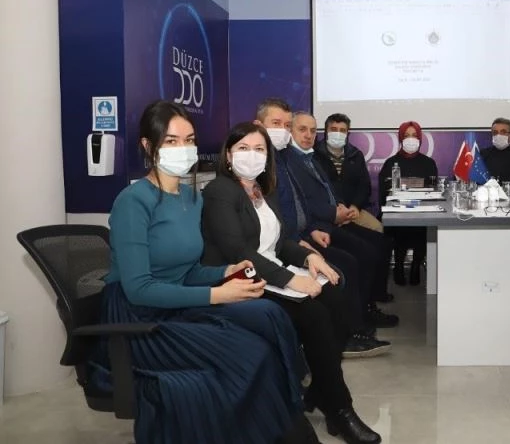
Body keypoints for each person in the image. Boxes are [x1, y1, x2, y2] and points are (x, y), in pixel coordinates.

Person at [100, 100, 317, 444]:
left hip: (178, 302)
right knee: (250, 354)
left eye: (189, 140)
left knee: (268, 316)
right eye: (171, 141)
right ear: (148, 145)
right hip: (140, 317)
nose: (183, 148)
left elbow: (187, 271)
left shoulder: (191, 198)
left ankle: (285, 424)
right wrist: (217, 293)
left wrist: (226, 270)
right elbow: (139, 289)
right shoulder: (133, 201)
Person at [201, 122, 381, 444]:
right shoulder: (220, 191)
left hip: (272, 272)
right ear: (228, 155)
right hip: (241, 279)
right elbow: (238, 251)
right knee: (315, 314)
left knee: (337, 299)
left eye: (259, 149)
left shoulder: (262, 189)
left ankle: (321, 391)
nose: (252, 155)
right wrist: (291, 279)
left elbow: (280, 242)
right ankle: (340, 409)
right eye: (243, 148)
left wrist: (308, 257)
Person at [256, 98, 393, 355]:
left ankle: (361, 317)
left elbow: (303, 201)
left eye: (287, 125)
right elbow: (284, 211)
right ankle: (351, 332)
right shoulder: (270, 163)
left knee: (372, 247)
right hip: (294, 239)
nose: (306, 135)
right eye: (281, 125)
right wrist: (305, 234)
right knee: (349, 263)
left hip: (313, 229)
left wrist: (320, 224)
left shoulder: (290, 159)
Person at [285, 112, 398, 321]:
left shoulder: (312, 157)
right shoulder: (293, 160)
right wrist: (333, 214)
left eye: (312, 130)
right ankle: (360, 317)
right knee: (361, 255)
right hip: (319, 225)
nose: (308, 135)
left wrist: (346, 207)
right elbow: (302, 202)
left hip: (342, 213)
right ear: (289, 131)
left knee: (379, 242)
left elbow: (343, 188)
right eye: (302, 129)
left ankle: (370, 303)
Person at [377, 121, 438, 286]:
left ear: (420, 139)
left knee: (421, 228)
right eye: (406, 135)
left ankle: (416, 266)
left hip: (422, 211)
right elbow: (383, 191)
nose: (411, 139)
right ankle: (398, 266)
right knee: (400, 228)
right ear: (400, 138)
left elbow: (433, 189)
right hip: (398, 211)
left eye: (414, 135)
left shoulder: (428, 162)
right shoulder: (391, 163)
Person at [314, 113, 383, 234]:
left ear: (348, 133)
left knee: (378, 228)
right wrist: (334, 211)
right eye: (334, 129)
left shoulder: (356, 155)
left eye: (342, 130)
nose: (338, 133)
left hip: (353, 211)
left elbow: (364, 186)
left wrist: (355, 206)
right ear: (326, 131)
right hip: (327, 213)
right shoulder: (313, 155)